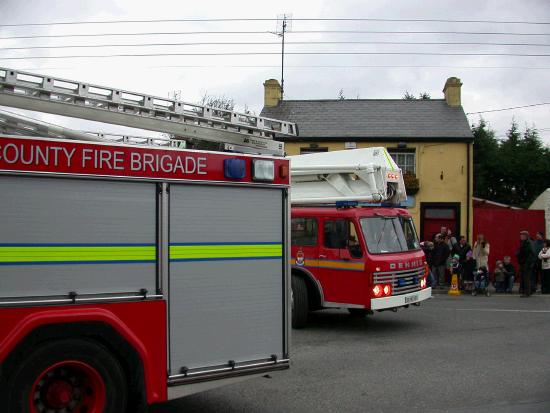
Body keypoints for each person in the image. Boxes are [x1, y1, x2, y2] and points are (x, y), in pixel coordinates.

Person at [517, 230, 536, 297]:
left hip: (527, 263)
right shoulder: (524, 242)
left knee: (526, 278)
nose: (521, 236)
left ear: (526, 236)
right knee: (525, 278)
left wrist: (528, 263)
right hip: (524, 263)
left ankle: (527, 293)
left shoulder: (528, 243)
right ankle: (527, 291)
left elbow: (531, 254)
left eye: (522, 235)